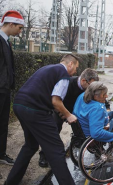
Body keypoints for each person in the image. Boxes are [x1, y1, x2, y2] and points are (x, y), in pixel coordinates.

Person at [5, 54, 79, 185]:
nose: (75, 72)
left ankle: (11, 182)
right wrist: (68, 115)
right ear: (70, 64)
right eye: (76, 68)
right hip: (36, 110)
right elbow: (56, 101)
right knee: (56, 150)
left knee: (30, 145)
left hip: (19, 105)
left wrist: (61, 113)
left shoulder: (48, 68)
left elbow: (44, 93)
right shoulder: (63, 74)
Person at [38, 68, 102, 168]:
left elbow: (98, 98)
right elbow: (55, 100)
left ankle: (98, 149)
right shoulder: (67, 83)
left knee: (93, 126)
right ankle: (44, 156)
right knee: (53, 130)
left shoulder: (90, 88)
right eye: (91, 85)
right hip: (60, 109)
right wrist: (65, 113)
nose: (92, 89)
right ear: (83, 81)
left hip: (76, 112)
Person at [0, 10, 25, 166]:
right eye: (19, 28)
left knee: (3, 123)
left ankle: (1, 154)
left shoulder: (6, 41)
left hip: (5, 89)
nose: (20, 31)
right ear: (11, 24)